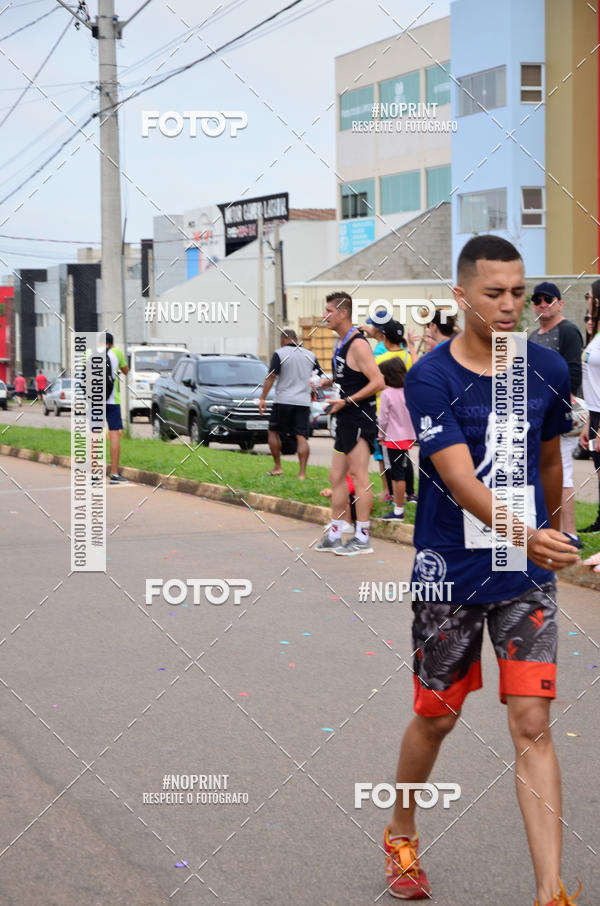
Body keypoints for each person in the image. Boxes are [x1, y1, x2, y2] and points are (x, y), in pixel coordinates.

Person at [383, 235, 580, 905]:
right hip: (452, 574)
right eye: (494, 293)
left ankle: (550, 891)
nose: (508, 306)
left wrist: (561, 526)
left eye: (519, 293)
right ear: (461, 296)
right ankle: (401, 828)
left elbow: (549, 456)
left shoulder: (547, 369)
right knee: (437, 716)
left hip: (525, 577)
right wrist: (531, 536)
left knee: (533, 723)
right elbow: (460, 480)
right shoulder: (431, 376)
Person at [316, 291, 384, 555]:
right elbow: (351, 374)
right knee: (336, 477)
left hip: (359, 417)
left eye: (329, 311)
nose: (325, 316)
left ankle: (362, 537)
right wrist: (331, 382)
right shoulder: (340, 342)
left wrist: (347, 401)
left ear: (342, 313)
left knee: (359, 476)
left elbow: (378, 382)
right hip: (343, 417)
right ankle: (336, 532)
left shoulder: (358, 343)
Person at [529, 281, 585, 548]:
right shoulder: (534, 335)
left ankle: (570, 533)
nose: (542, 304)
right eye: (537, 300)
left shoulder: (568, 330)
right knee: (543, 472)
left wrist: (561, 406)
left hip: (560, 413)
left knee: (562, 472)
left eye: (548, 299)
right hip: (537, 415)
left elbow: (573, 372)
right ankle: (552, 528)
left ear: (559, 303)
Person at [258, 329, 322, 480]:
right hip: (303, 402)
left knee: (273, 431)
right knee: (301, 436)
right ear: (296, 339)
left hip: (283, 400)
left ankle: (278, 467)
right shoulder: (310, 355)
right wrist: (312, 394)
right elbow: (317, 379)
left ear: (282, 340)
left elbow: (271, 376)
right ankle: (302, 473)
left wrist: (262, 398)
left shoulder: (279, 354)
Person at [375, 319, 416, 503]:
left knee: (389, 461)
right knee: (405, 458)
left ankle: (392, 495)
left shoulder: (378, 360)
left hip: (385, 416)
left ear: (384, 338)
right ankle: (411, 493)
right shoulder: (407, 356)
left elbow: (373, 385)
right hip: (406, 415)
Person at [377, 357, 415, 521]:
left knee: (396, 474)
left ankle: (398, 510)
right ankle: (406, 499)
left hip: (393, 438)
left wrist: (380, 436)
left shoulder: (387, 394)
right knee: (403, 469)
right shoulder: (409, 390)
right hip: (408, 437)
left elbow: (383, 419)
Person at [579, 280, 600, 532]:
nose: (586, 298)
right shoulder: (595, 333)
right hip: (594, 413)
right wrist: (588, 424)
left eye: (589, 295)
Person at [106, 332, 129, 485]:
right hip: (112, 400)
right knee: (114, 435)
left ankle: (94, 474)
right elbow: (126, 371)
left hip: (94, 400)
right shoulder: (116, 352)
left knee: (94, 435)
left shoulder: (89, 353)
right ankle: (114, 474)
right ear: (112, 343)